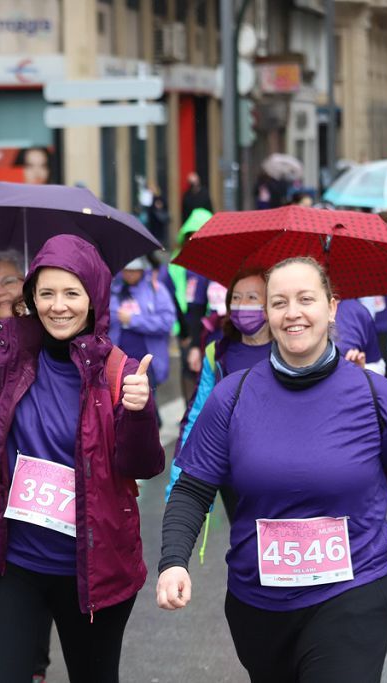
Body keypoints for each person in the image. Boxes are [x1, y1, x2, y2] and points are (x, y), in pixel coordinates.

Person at [158, 256, 387, 681]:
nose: (292, 312)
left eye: (305, 299)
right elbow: (192, 489)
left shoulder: (378, 398)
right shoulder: (231, 397)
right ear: (267, 313)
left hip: (354, 595)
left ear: (332, 307)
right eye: (279, 302)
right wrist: (173, 561)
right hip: (258, 604)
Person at [0, 235, 165, 683]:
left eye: (71, 293)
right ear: (31, 298)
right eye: (46, 293)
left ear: (94, 298)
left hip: (93, 572)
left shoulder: (119, 371)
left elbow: (142, 465)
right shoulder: (5, 354)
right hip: (12, 566)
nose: (58, 306)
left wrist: (140, 414)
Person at [167, 268, 273, 522]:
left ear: (271, 304)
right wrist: (178, 480)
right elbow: (197, 414)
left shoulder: (291, 350)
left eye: (251, 298)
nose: (241, 305)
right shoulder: (218, 351)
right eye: (235, 298)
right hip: (232, 473)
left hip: (280, 471)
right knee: (244, 543)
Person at [163, 208, 214, 403]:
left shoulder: (216, 263)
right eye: (191, 237)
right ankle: (189, 410)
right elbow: (172, 296)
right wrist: (184, 333)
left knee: (209, 369)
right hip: (186, 326)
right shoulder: (177, 263)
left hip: (210, 326)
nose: (195, 242)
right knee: (188, 369)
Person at [109, 257, 177, 388]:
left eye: (134, 270)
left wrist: (133, 320)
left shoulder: (156, 290)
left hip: (147, 360)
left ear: (142, 271)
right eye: (126, 270)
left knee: (146, 401)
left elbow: (167, 321)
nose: (129, 274)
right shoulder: (113, 290)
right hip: (118, 359)